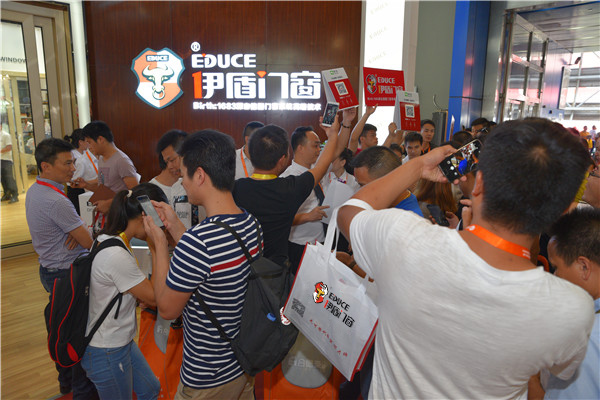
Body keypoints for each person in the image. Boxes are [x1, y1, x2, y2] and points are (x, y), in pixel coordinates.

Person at [337, 118, 594, 399]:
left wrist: (418, 167)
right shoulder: (572, 309)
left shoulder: (403, 238)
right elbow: (550, 375)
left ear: (479, 182)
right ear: (564, 209)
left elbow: (350, 211)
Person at [143, 130, 261, 399]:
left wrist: (159, 244)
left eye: (184, 175)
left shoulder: (197, 242)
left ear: (199, 176)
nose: (182, 182)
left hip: (207, 376)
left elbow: (167, 309)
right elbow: (212, 264)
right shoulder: (250, 223)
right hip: (242, 365)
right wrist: (176, 226)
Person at [25, 138, 97, 399]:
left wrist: (75, 229)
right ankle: (79, 390)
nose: (73, 168)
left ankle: (66, 383)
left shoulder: (36, 190)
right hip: (67, 274)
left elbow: (79, 234)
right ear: (46, 166)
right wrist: (81, 230)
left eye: (73, 162)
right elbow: (88, 242)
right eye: (67, 163)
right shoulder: (56, 201)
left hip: (50, 270)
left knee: (62, 328)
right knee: (75, 334)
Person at [81, 183, 165, 400]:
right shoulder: (116, 254)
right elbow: (155, 298)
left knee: (150, 389)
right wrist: (156, 245)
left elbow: (113, 289)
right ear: (146, 216)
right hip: (107, 349)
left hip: (120, 342)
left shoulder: (107, 238)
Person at [233, 116, 341, 269]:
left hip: (240, 267)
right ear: (283, 159)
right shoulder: (290, 188)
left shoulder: (234, 189)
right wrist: (332, 134)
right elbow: (321, 167)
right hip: (275, 271)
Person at [530, 208, 600, 399]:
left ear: (584, 267)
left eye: (556, 267)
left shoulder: (582, 342)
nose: (554, 276)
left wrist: (530, 377)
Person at [281, 111, 354, 271]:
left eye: (320, 146)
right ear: (300, 148)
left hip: (324, 239)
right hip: (301, 243)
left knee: (322, 283)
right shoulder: (288, 177)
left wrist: (346, 122)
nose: (318, 150)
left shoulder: (318, 168)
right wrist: (307, 216)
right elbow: (281, 217)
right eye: (315, 145)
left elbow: (338, 149)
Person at [76, 121, 140, 213]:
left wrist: (109, 204)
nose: (88, 147)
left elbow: (135, 193)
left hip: (120, 215)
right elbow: (103, 187)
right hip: (107, 216)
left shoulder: (122, 161)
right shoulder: (101, 159)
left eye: (89, 142)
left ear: (100, 139)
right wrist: (86, 185)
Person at [350, 146, 423, 217]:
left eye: (363, 186)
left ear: (388, 182)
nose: (360, 191)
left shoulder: (408, 219)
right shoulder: (382, 206)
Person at [64, 128, 98, 214]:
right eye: (88, 141)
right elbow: (73, 181)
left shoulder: (86, 154)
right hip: (78, 192)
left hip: (87, 190)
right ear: (81, 142)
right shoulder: (78, 158)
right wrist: (93, 181)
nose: (89, 144)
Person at [151, 129, 187, 204]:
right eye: (166, 162)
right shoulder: (153, 188)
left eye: (172, 160)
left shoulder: (199, 183)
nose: (169, 166)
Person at [1, 127, 19, 203]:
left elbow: (9, 147)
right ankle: (7, 194)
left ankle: (15, 195)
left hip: (6, 160)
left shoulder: (6, 135)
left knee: (9, 178)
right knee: (2, 179)